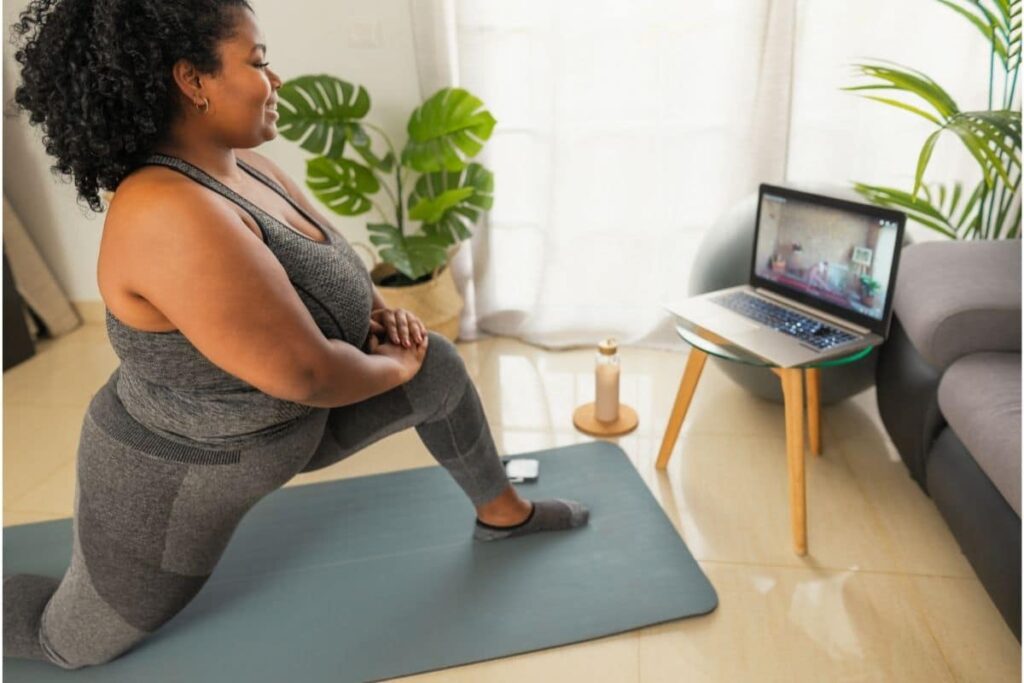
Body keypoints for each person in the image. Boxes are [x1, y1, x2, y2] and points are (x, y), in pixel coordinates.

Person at [5, 0, 588, 669]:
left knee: (437, 367)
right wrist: (394, 366)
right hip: (174, 482)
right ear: (192, 81)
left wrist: (382, 320)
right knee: (68, 642)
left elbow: (335, 264)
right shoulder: (165, 213)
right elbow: (307, 374)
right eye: (256, 62)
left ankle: (504, 513)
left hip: (288, 429)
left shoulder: (242, 164)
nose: (276, 79)